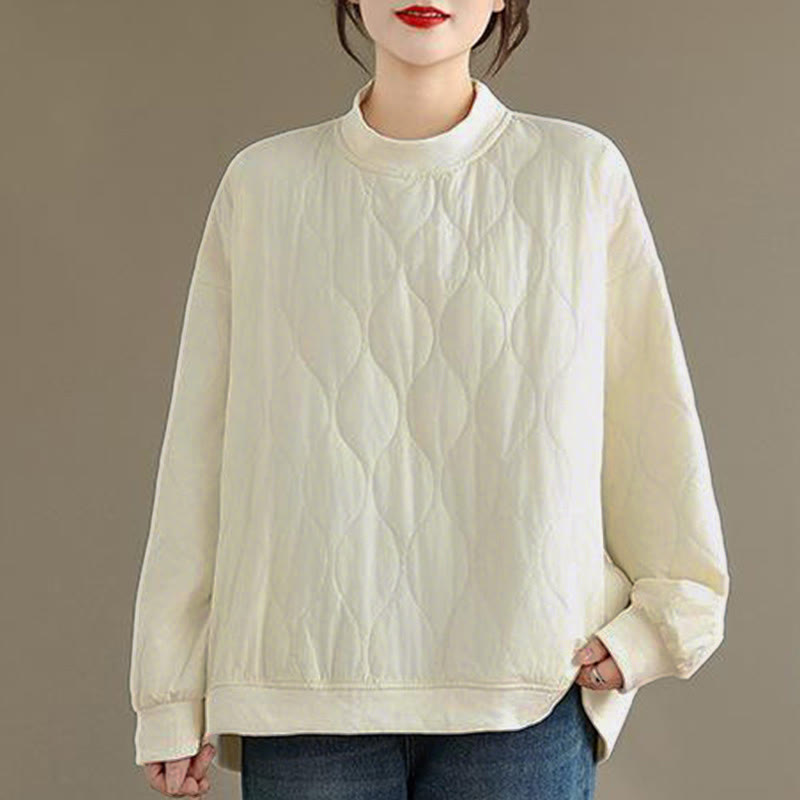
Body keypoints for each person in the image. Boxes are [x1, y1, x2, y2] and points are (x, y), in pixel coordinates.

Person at [129, 1, 731, 798]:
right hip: (301, 684)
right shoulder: (264, 185)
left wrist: (666, 620)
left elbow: (649, 415)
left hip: (526, 683)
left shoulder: (577, 174)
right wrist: (170, 692)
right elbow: (201, 447)